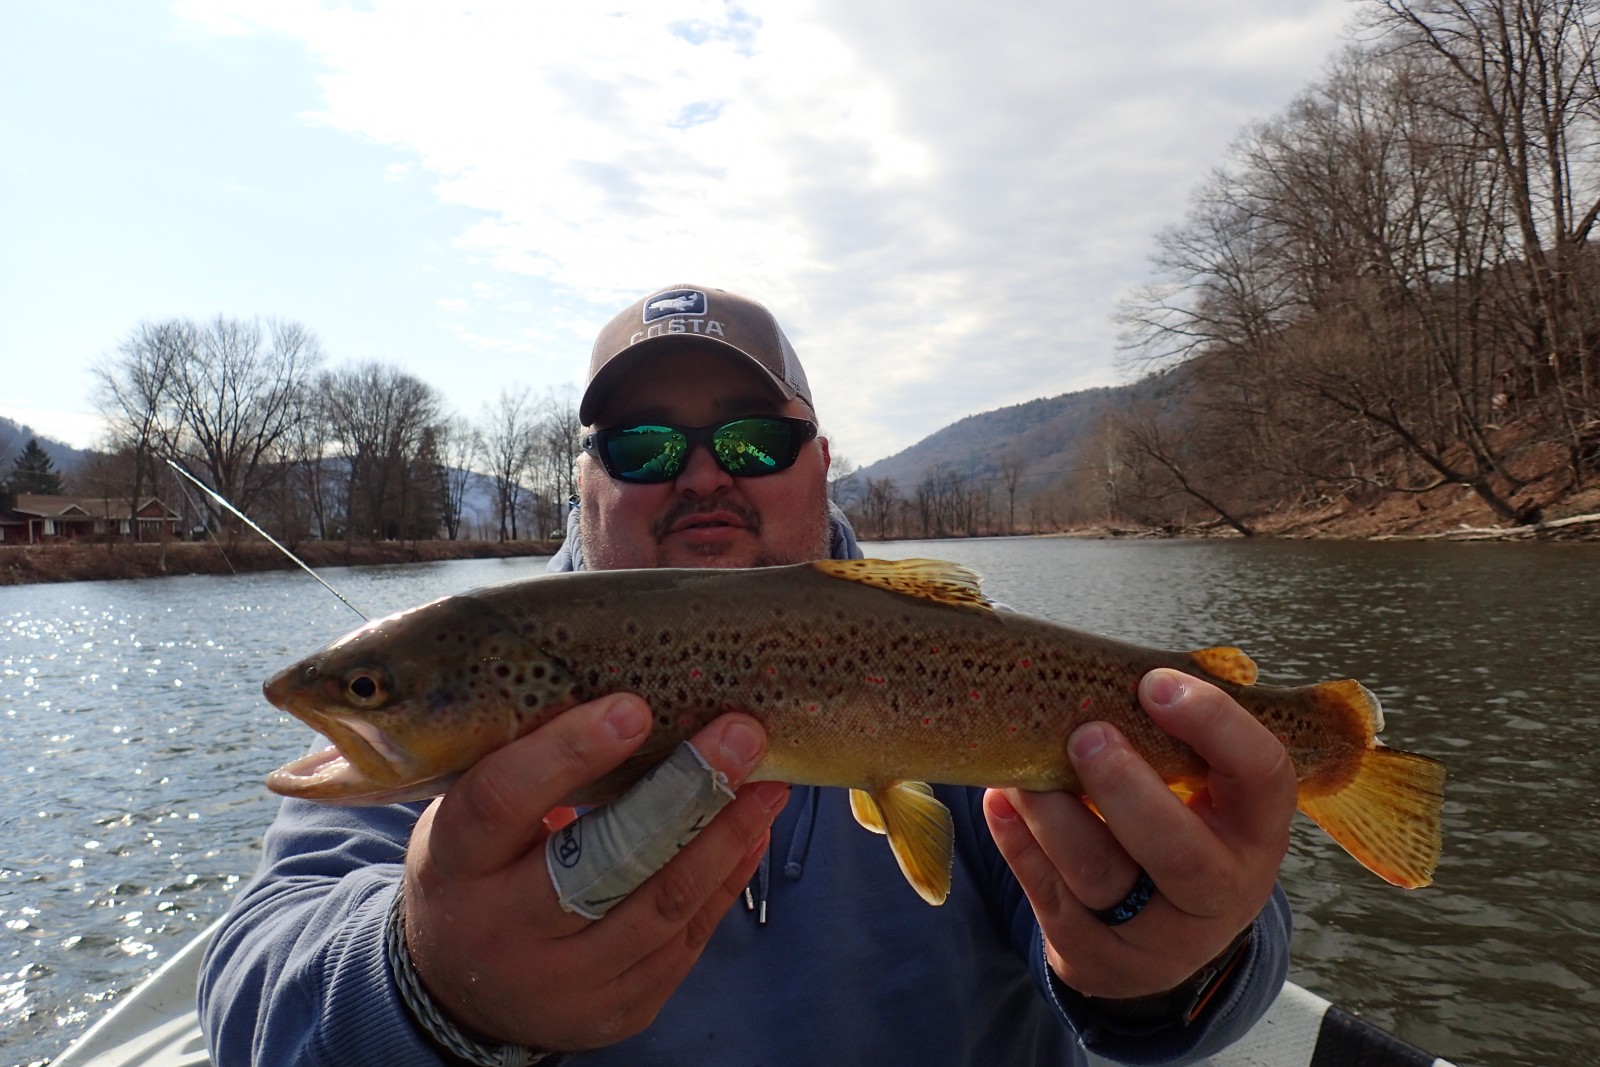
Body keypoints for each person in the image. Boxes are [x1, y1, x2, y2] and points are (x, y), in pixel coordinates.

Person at [199, 284, 1296, 1066]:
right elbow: (254, 983)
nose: (708, 474)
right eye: (643, 447)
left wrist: (1170, 951)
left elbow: (1191, 971)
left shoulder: (954, 664)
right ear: (582, 480)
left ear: (821, 461)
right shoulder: (472, 670)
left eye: (756, 443)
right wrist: (429, 985)